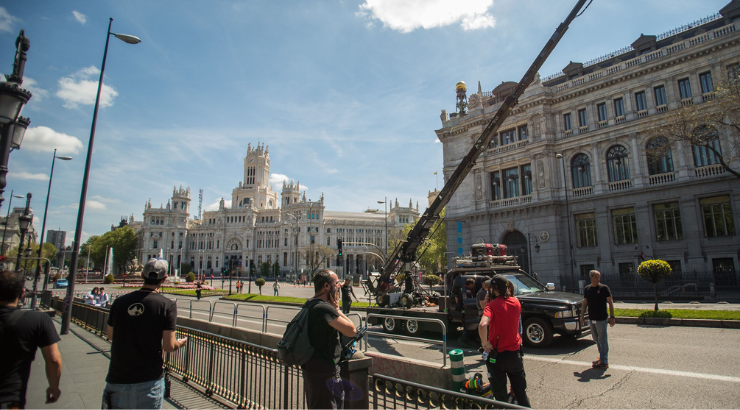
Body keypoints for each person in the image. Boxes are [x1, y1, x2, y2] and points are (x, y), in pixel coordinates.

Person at [103, 258, 187, 409]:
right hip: (148, 380)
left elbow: (110, 335)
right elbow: (169, 346)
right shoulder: (166, 305)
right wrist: (180, 343)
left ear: (142, 275)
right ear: (165, 279)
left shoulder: (119, 302)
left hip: (118, 378)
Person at [0, 271, 63, 408]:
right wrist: (54, 386)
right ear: (22, 293)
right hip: (9, 400)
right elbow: (53, 359)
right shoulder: (37, 320)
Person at [302, 269, 357, 410]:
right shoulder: (323, 309)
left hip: (314, 371)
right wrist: (337, 309)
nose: (339, 286)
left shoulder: (310, 304)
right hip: (324, 374)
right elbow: (351, 330)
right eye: (336, 283)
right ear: (326, 286)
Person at [478, 274, 530, 407]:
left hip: (498, 356)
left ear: (494, 289)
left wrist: (485, 344)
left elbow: (483, 325)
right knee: (520, 393)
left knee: (500, 395)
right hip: (515, 354)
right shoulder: (516, 302)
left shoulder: (491, 306)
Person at [580, 270, 615, 369]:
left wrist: (612, 317)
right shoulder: (587, 289)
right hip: (592, 318)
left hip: (601, 318)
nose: (598, 279)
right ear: (591, 278)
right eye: (596, 277)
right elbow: (585, 303)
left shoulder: (604, 288)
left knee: (602, 339)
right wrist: (582, 316)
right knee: (596, 339)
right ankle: (601, 357)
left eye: (599, 277)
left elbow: (610, 302)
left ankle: (604, 361)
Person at [457, 278, 478, 347]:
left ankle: (465, 339)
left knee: (465, 325)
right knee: (468, 326)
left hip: (461, 310)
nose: (473, 286)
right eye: (473, 284)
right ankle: (463, 339)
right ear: (470, 284)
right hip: (466, 311)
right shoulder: (467, 292)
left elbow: (457, 299)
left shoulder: (461, 290)